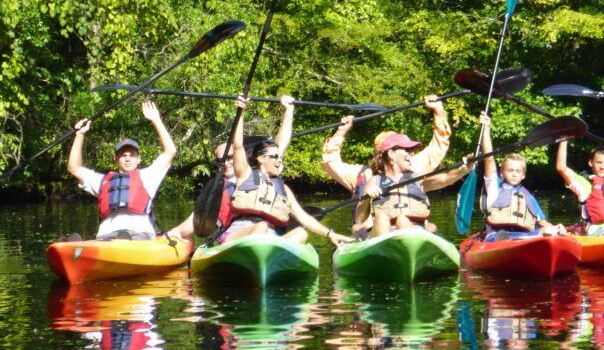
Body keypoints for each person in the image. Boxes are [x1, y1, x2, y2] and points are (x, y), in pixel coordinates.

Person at [223, 96, 351, 246]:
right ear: (261, 159)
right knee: (261, 226)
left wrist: (330, 234)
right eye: (274, 157)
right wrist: (241, 112)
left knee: (301, 233)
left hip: (271, 240)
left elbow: (304, 218)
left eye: (280, 157)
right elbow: (237, 145)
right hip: (241, 235)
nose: (279, 160)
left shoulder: (283, 189)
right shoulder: (246, 175)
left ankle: (271, 254)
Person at [168, 95, 296, 240]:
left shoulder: (255, 174)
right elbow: (195, 221)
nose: (226, 163)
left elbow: (279, 146)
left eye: (229, 158)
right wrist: (173, 233)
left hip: (266, 235)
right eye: (220, 161)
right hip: (235, 238)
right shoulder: (221, 190)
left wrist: (289, 111)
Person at [321, 96, 451, 234]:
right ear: (386, 154)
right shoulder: (361, 174)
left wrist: (439, 111)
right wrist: (341, 132)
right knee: (358, 227)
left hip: (407, 226)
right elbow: (330, 162)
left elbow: (438, 146)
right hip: (371, 233)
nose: (409, 153)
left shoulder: (411, 166)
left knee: (427, 226)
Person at [67, 100, 176, 240]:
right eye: (123, 155)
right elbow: (74, 168)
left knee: (125, 239)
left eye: (132, 155)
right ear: (116, 159)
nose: (128, 159)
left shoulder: (148, 176)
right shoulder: (103, 181)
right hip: (106, 236)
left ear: (139, 159)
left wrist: (155, 119)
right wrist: (79, 135)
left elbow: (170, 151)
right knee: (107, 241)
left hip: (139, 235)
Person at [357, 133, 472, 237]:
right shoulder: (375, 181)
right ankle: (387, 250)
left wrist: (463, 169)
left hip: (415, 231)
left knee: (402, 220)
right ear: (391, 154)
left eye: (412, 150)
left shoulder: (418, 178)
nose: (411, 153)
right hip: (385, 233)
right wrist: (367, 198)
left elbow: (446, 178)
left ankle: (411, 240)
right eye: (407, 150)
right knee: (381, 218)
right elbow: (359, 219)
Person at [479, 113, 566, 240]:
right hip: (496, 235)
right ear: (502, 173)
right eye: (510, 170)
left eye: (518, 171)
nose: (514, 173)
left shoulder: (528, 197)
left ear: (523, 175)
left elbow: (541, 221)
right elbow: (489, 159)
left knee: (549, 230)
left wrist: (556, 228)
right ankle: (506, 244)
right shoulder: (494, 188)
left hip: (523, 236)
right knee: (501, 237)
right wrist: (486, 130)